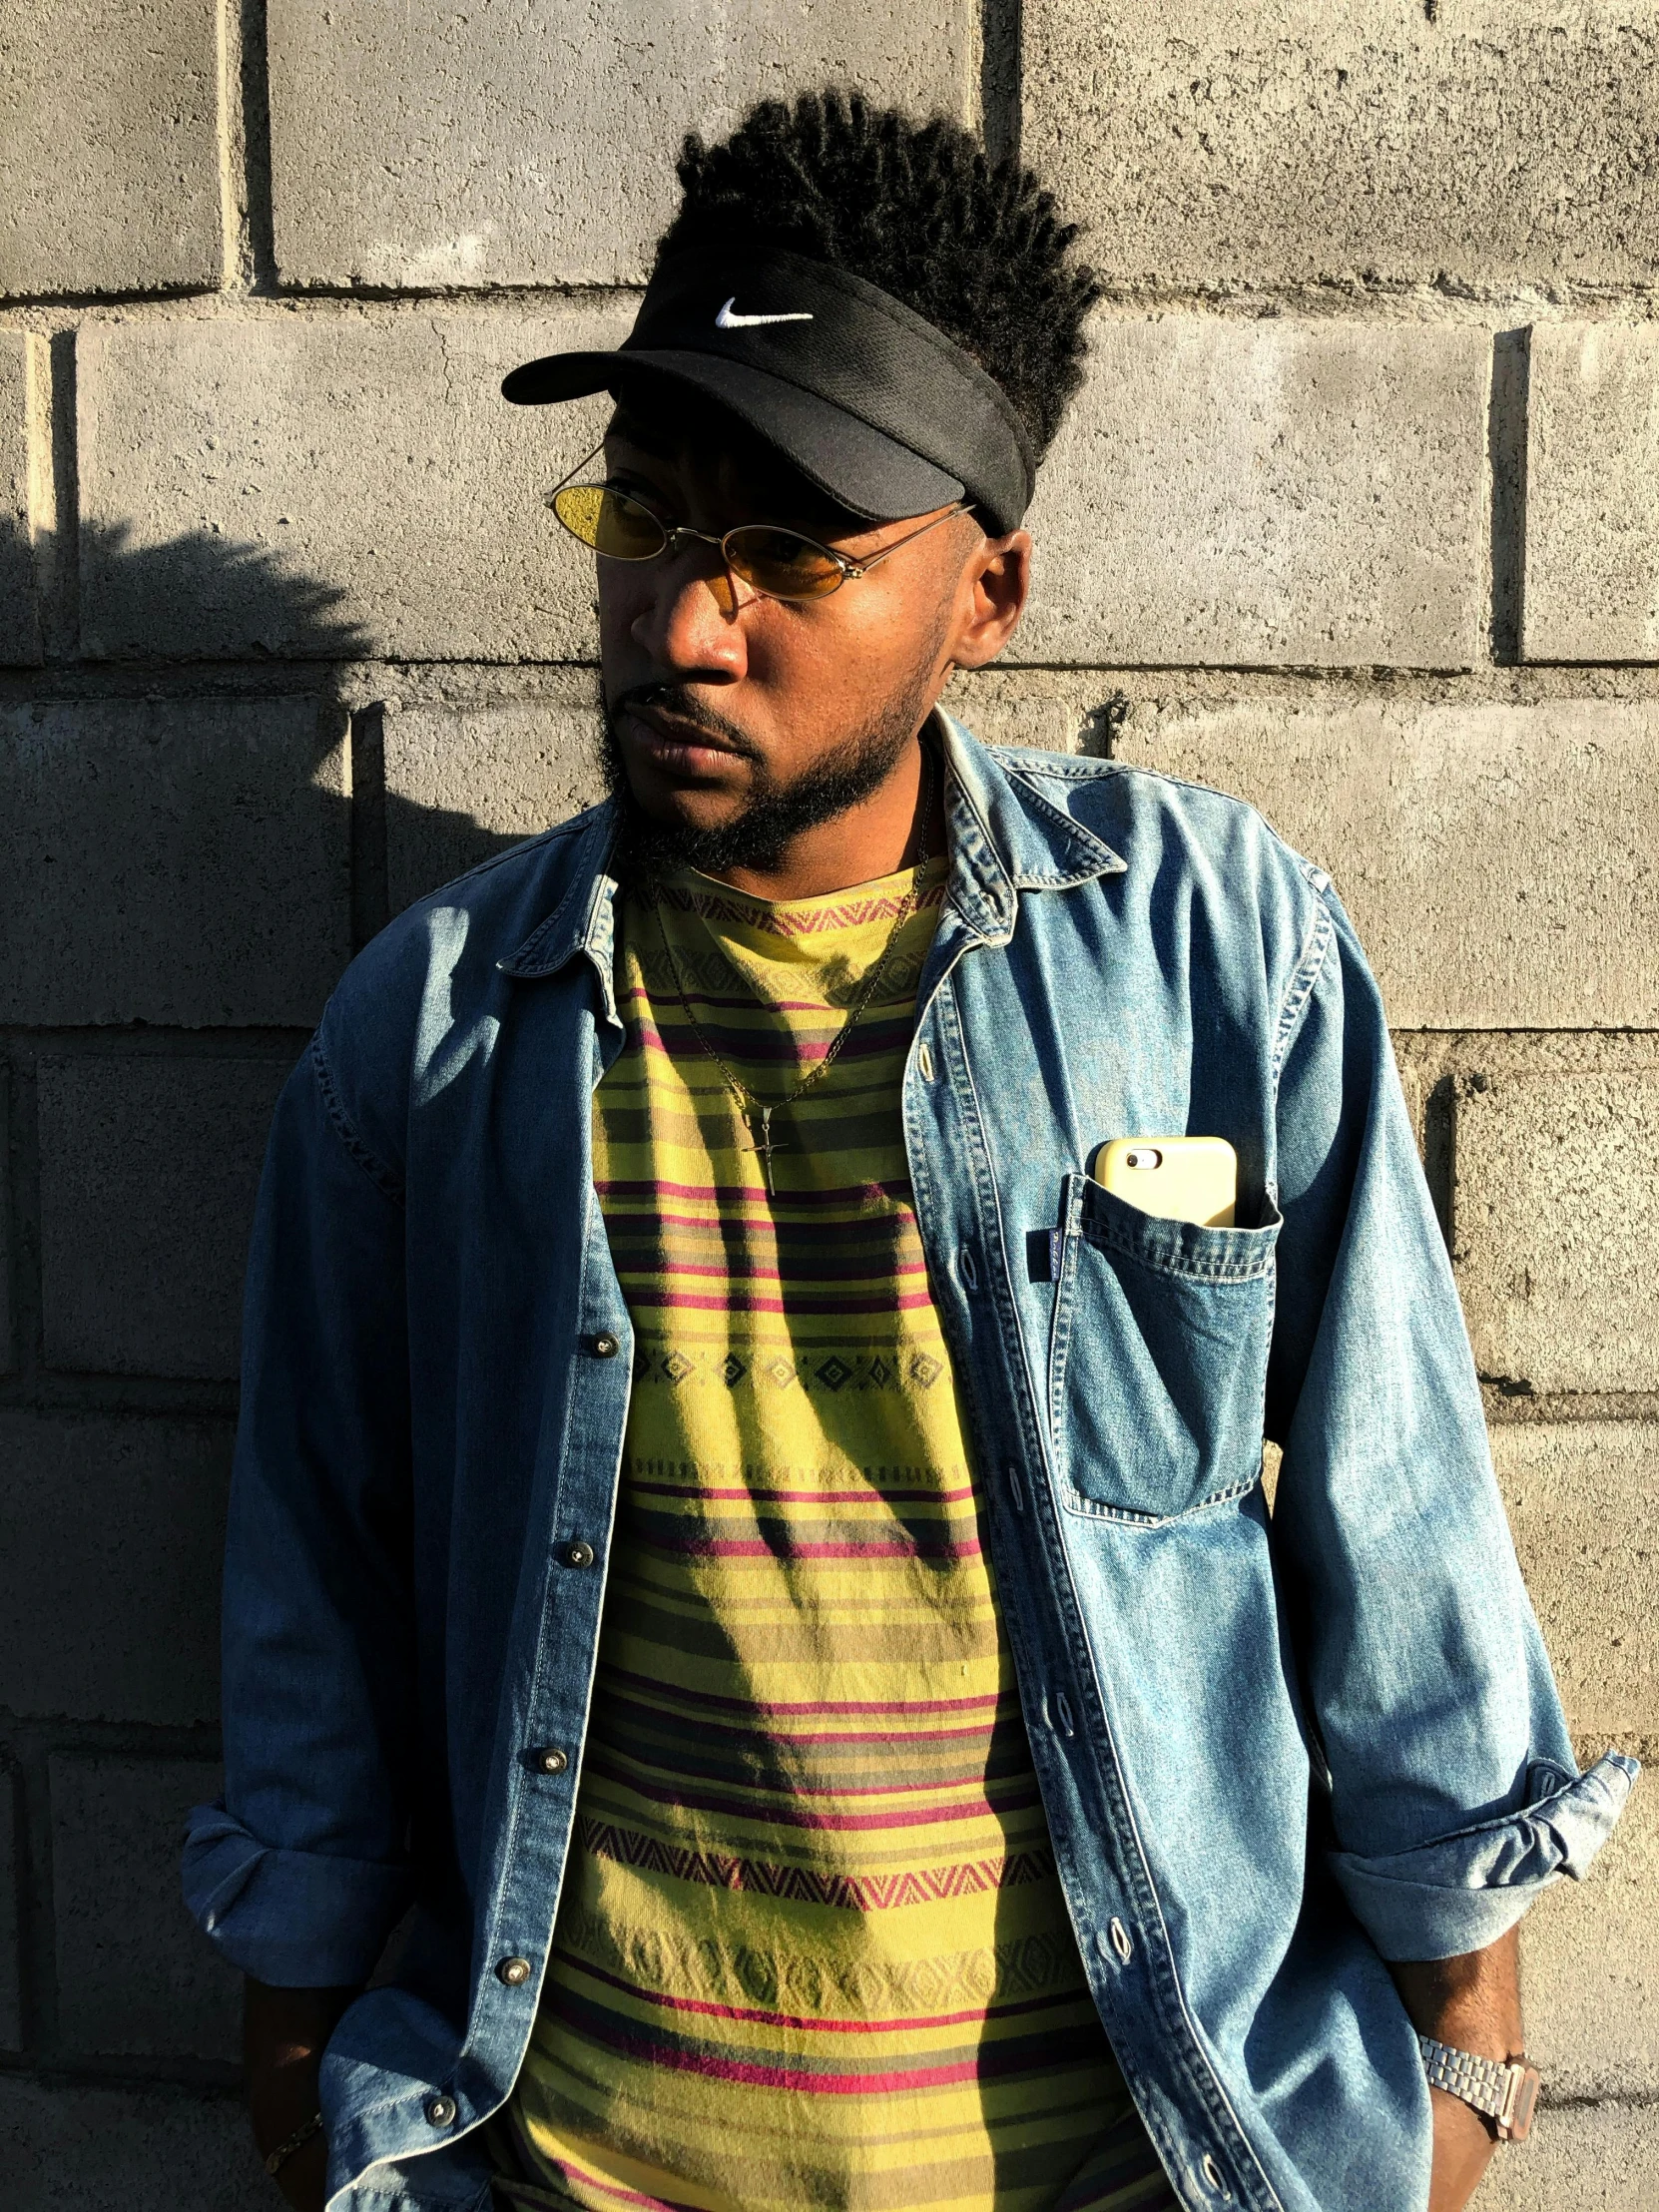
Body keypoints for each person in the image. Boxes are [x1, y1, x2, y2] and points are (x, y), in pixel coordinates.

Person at [184, 91, 1635, 2212]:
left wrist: (1466, 2081)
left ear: (989, 589)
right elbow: (311, 1596)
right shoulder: (432, 1037)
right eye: (656, 517)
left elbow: (1398, 1518)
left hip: (1125, 2162)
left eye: (792, 552)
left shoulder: (1214, 951)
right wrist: (301, 2093)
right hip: (588, 2164)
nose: (690, 618)